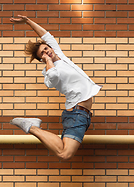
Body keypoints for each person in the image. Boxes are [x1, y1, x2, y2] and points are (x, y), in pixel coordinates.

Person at [9, 15, 102, 161]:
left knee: (64, 151)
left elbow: (45, 34)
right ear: (41, 59)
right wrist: (48, 61)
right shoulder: (49, 72)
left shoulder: (60, 55)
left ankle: (32, 127)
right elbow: (52, 79)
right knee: (64, 154)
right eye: (43, 54)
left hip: (82, 115)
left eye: (46, 49)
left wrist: (27, 21)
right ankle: (31, 127)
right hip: (77, 114)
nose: (47, 52)